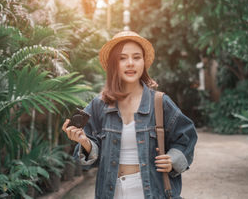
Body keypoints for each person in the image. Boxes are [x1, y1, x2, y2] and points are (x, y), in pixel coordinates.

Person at [62, 31, 197, 199]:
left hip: (150, 191)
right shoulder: (99, 104)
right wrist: (84, 142)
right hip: (111, 191)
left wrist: (173, 159)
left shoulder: (160, 102)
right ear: (114, 64)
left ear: (144, 63)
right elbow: (90, 156)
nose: (130, 63)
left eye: (137, 57)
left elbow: (187, 136)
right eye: (122, 58)